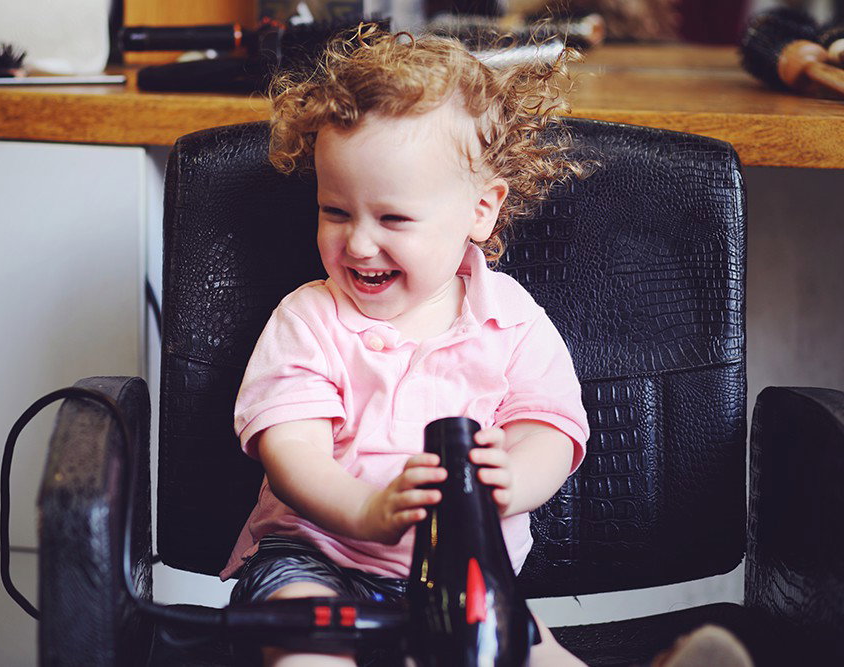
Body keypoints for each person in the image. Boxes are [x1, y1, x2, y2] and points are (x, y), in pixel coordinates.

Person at [218, 23, 749, 667]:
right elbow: (288, 448)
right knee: (301, 638)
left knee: (532, 650)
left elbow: (550, 428)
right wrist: (368, 510)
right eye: (336, 211)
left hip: (461, 564)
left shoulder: (511, 319)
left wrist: (516, 478)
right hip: (313, 556)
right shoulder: (311, 317)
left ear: (481, 210)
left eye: (392, 218)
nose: (358, 243)